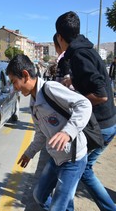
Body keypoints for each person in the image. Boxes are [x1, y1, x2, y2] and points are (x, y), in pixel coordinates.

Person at [6, 54, 91, 211]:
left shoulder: (50, 88)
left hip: (73, 159)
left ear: (25, 75)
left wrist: (68, 132)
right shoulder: (33, 103)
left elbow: (84, 104)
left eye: (14, 82)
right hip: (55, 158)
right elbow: (40, 133)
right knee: (39, 196)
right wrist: (29, 153)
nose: (14, 87)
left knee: (58, 206)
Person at [56, 11, 116, 211]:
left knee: (75, 167)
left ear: (60, 37)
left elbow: (101, 94)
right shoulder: (84, 49)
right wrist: (73, 80)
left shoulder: (79, 55)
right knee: (81, 168)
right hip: (108, 122)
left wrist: (77, 102)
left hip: (102, 125)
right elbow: (95, 76)